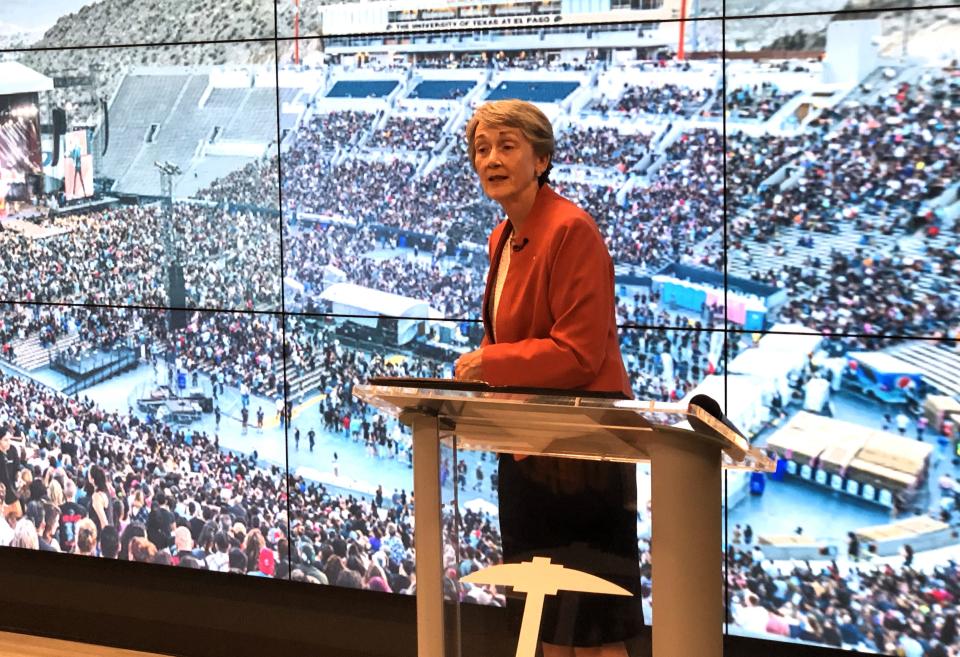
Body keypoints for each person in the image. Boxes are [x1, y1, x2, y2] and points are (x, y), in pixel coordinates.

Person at [454, 99, 642, 657]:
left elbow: (580, 353)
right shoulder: (501, 237)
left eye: (507, 146)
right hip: (527, 448)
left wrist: (492, 361)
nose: (491, 158)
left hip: (582, 455)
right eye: (481, 149)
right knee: (543, 619)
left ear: (541, 159)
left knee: (591, 626)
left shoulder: (571, 229)